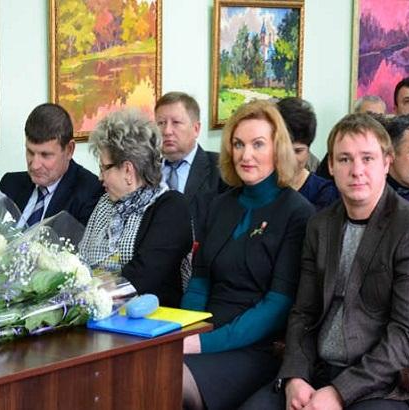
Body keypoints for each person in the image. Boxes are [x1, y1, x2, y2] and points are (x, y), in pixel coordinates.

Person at [241, 113, 409, 410]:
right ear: (332, 166)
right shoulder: (320, 224)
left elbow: (408, 336)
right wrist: (295, 376)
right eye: (345, 159)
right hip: (318, 372)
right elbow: (303, 313)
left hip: (382, 386)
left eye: (367, 159)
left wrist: (339, 392)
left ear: (386, 162)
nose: (356, 170)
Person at [180, 100, 314, 410]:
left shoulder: (298, 213)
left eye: (258, 144)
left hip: (258, 346)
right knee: (140, 368)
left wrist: (202, 343)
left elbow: (277, 305)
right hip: (205, 331)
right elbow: (199, 283)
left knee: (166, 378)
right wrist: (186, 332)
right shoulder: (218, 205)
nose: (246, 155)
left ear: (278, 149)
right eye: (238, 144)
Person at [79, 109, 193, 307]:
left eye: (104, 168)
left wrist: (92, 293)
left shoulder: (171, 207)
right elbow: (82, 260)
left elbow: (145, 274)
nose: (100, 177)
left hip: (150, 317)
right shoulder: (105, 202)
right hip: (98, 308)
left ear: (128, 170)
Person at [0, 103, 103, 228]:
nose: (35, 166)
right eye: (30, 152)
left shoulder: (90, 193)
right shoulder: (9, 185)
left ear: (69, 150)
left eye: (45, 155)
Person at [154, 92, 224, 240]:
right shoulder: (146, 171)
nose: (167, 131)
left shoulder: (220, 168)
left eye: (176, 122)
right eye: (161, 123)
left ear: (196, 129)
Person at [276, 97, 339, 211]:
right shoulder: (257, 186)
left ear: (309, 150)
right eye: (283, 150)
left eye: (298, 151)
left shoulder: (325, 193)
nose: (290, 159)